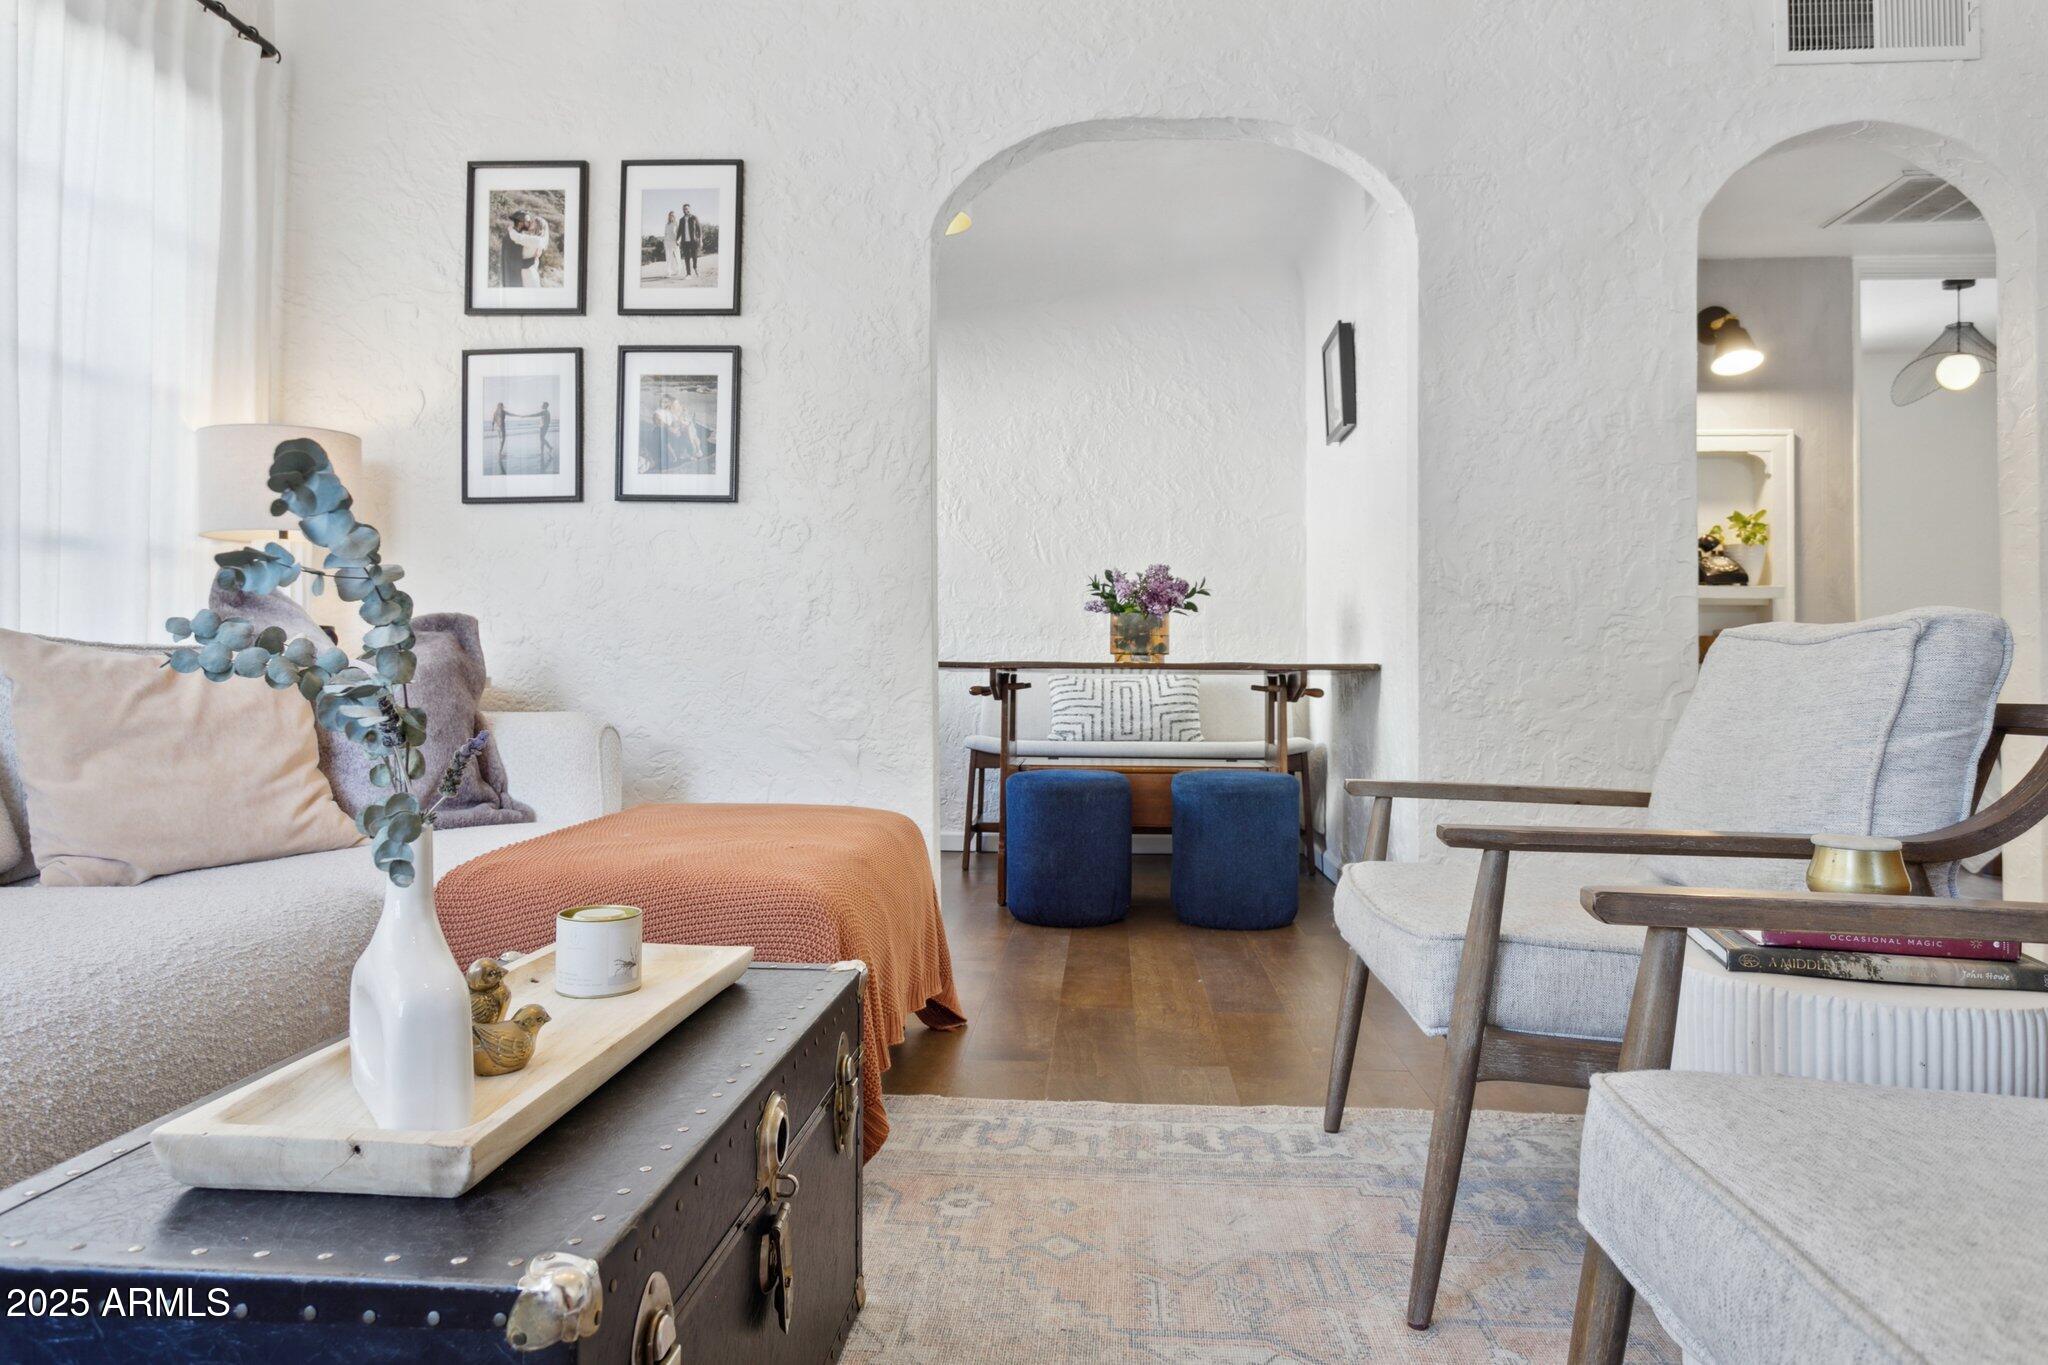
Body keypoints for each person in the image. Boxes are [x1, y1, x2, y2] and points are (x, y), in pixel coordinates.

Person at [506, 211, 550, 287]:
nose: (529, 222)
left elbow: (517, 238)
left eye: (532, 222)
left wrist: (510, 229)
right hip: (527, 271)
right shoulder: (537, 239)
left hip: (528, 273)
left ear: (537, 225)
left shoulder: (536, 240)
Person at [677, 203, 702, 277]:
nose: (685, 210)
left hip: (693, 241)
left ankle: (695, 268)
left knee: (694, 256)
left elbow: (699, 229)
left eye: (686, 209)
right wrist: (677, 239)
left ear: (689, 209)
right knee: (686, 258)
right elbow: (679, 231)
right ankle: (688, 274)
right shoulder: (681, 220)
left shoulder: (694, 218)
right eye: (684, 209)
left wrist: (701, 240)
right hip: (685, 242)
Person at [487, 402, 510, 473]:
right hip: (502, 427)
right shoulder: (502, 411)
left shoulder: (495, 412)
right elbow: (510, 414)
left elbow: (493, 420)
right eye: (502, 406)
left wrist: (492, 427)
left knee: (501, 440)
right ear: (501, 406)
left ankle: (500, 452)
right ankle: (499, 453)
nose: (503, 407)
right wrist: (518, 416)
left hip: (497, 427)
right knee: (503, 440)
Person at [662, 210, 681, 280]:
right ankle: (669, 272)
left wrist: (678, 241)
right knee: (668, 258)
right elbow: (665, 234)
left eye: (673, 215)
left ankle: (679, 270)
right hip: (667, 243)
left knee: (677, 256)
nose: (671, 216)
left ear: (674, 216)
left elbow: (680, 233)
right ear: (668, 216)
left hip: (675, 242)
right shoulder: (667, 224)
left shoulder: (676, 223)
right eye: (670, 215)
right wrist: (664, 242)